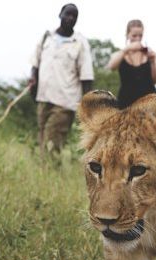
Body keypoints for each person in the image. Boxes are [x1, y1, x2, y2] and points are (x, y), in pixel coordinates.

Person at [29, 3, 94, 157]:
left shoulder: (79, 42)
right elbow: (35, 63)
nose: (71, 18)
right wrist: (32, 78)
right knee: (43, 140)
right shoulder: (47, 37)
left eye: (74, 16)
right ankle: (45, 175)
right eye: (68, 14)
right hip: (43, 98)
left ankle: (50, 174)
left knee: (52, 143)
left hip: (65, 102)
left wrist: (87, 105)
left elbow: (86, 75)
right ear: (60, 14)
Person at [107, 19, 156, 109]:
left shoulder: (150, 54)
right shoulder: (121, 54)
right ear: (127, 35)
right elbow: (111, 67)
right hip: (126, 103)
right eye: (134, 35)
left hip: (149, 104)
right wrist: (127, 49)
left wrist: (152, 62)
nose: (137, 38)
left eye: (140, 35)